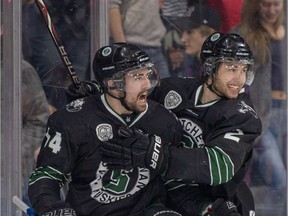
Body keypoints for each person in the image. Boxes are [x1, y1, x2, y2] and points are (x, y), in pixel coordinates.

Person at [99, 33, 262, 216]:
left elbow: (218, 166)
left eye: (243, 69)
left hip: (210, 201)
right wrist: (99, 97)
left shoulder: (242, 116)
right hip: (158, 193)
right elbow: (131, 108)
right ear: (210, 67)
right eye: (232, 68)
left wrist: (158, 156)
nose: (239, 78)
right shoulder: (173, 89)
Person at [28, 43, 183, 216]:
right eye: (138, 77)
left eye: (149, 75)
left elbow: (178, 184)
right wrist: (51, 208)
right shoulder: (73, 120)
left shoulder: (165, 121)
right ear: (113, 84)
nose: (147, 84)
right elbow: (47, 175)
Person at [231, 0, 287, 215]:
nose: (271, 10)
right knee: (279, 180)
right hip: (264, 113)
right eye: (266, 4)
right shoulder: (247, 34)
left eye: (276, 4)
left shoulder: (285, 31)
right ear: (256, 5)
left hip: (285, 110)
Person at [109, 0, 171, 78]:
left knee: (166, 87)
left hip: (155, 44)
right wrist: (122, 46)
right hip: (130, 45)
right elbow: (111, 6)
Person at [171, 4, 221, 78]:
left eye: (189, 32)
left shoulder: (222, 69)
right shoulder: (192, 66)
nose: (183, 39)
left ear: (208, 34)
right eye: (182, 32)